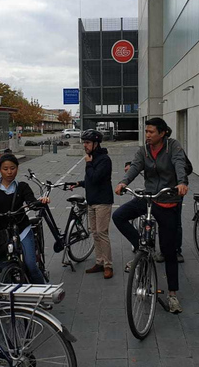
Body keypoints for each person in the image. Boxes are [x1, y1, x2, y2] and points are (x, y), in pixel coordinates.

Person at [114, 117, 188, 314]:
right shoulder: (144, 150)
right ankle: (142, 248)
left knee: (169, 250)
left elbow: (180, 164)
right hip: (149, 198)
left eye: (151, 132)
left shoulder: (173, 147)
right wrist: (123, 183)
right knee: (119, 216)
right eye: (146, 132)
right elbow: (136, 166)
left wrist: (182, 183)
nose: (147, 135)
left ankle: (172, 295)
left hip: (167, 200)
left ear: (162, 133)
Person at [0, 153, 48, 283]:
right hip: (2, 234)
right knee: (4, 270)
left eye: (12, 168)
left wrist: (40, 202)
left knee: (31, 265)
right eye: (5, 169)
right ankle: (8, 299)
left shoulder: (22, 187)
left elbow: (31, 202)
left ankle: (42, 293)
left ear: (17, 168)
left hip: (22, 230)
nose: (9, 172)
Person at [74, 129, 114, 279]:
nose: (85, 145)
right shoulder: (91, 158)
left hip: (102, 202)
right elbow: (90, 180)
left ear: (96, 143)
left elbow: (96, 178)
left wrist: (89, 164)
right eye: (84, 142)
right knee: (95, 233)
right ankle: (99, 262)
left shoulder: (104, 159)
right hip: (91, 201)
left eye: (88, 142)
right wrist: (79, 183)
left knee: (102, 233)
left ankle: (108, 265)